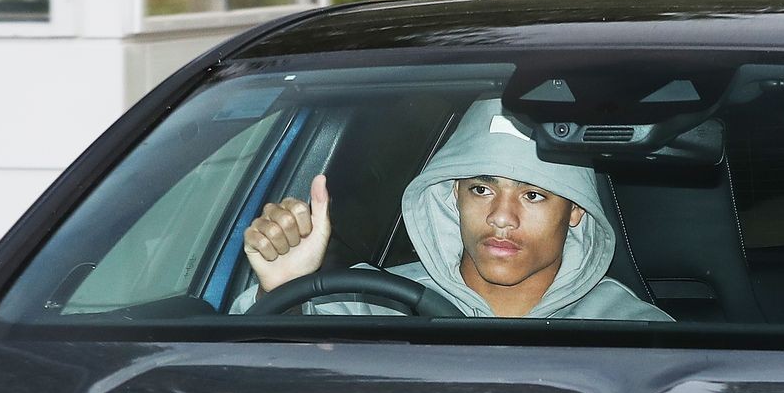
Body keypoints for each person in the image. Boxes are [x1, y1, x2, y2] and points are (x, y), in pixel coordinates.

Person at [234, 99, 669, 321]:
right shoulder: (368, 303)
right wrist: (285, 292)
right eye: (481, 188)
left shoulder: (635, 331)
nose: (502, 217)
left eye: (534, 195)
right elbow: (257, 388)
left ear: (574, 210)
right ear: (451, 195)